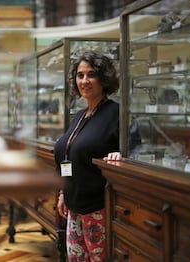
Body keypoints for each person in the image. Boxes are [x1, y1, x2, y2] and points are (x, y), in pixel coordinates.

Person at [53, 50, 122, 262]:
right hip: (73, 206)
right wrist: (64, 194)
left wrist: (121, 154)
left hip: (97, 207)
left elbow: (134, 150)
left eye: (91, 74)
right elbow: (67, 153)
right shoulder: (80, 115)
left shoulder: (115, 113)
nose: (84, 81)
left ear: (103, 78)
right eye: (80, 75)